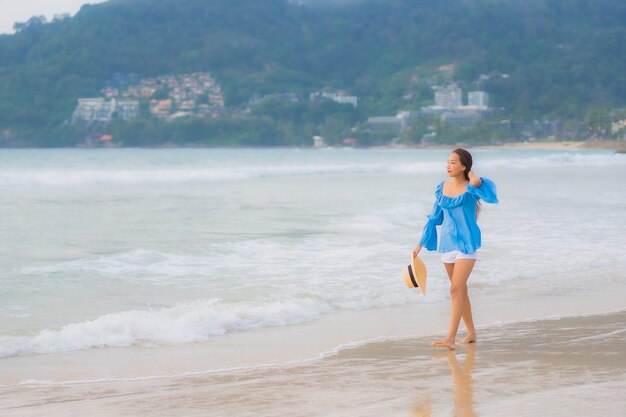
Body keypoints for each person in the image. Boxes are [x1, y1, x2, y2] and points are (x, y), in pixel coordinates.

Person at [412, 148, 498, 350]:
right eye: (447, 162)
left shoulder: (471, 188)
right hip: (448, 245)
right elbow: (435, 218)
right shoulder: (442, 188)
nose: (447, 166)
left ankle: (450, 338)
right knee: (460, 291)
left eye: (452, 162)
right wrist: (420, 244)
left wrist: (471, 176)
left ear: (463, 166)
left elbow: (483, 188)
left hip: (467, 245)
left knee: (455, 289)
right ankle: (471, 333)